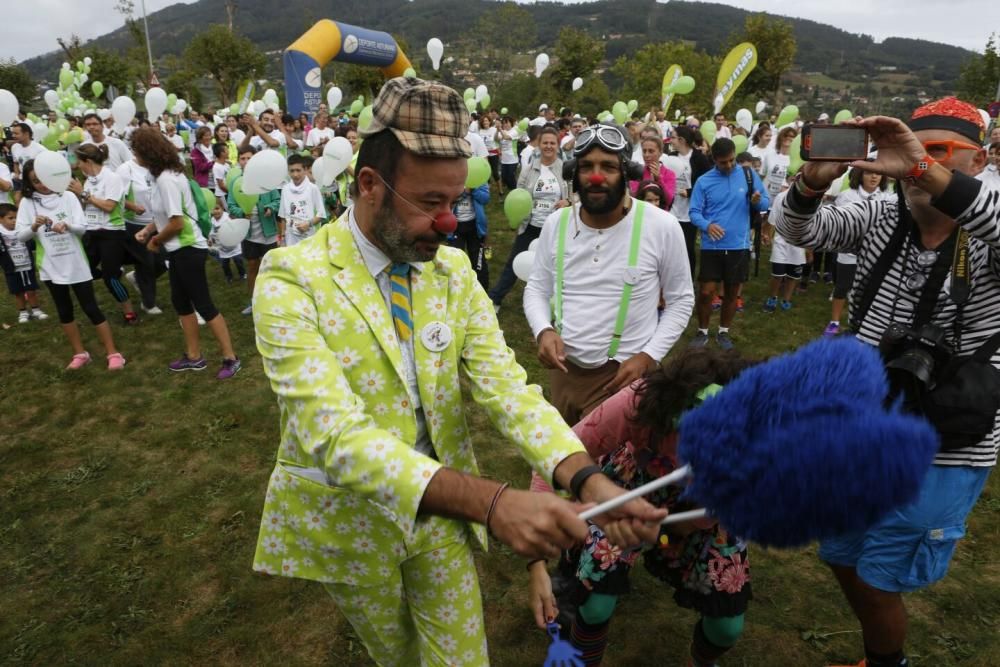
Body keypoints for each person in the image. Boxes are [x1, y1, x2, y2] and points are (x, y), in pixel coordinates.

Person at [249, 76, 665, 667]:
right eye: (430, 204)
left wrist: (587, 479)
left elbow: (507, 390)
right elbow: (332, 437)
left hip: (443, 517)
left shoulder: (451, 274)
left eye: (454, 202)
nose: (450, 224)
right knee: (397, 657)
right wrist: (493, 503)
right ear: (369, 184)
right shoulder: (291, 279)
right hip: (349, 520)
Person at [771, 98, 1000, 667]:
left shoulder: (989, 227)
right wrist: (812, 180)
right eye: (913, 151)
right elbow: (797, 227)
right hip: (867, 422)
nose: (921, 163)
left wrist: (924, 170)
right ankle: (881, 656)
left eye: (945, 153)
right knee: (842, 554)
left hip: (949, 440)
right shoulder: (879, 216)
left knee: (879, 574)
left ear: (980, 161)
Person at [528, 347, 753, 667]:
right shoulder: (640, 402)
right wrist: (536, 557)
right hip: (628, 487)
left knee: (727, 626)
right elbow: (554, 456)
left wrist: (678, 527)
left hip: (703, 510)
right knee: (595, 605)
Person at [523, 122, 694, 425]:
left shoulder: (662, 226)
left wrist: (648, 356)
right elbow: (537, 287)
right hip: (564, 374)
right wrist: (543, 330)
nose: (596, 177)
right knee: (561, 464)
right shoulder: (557, 224)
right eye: (586, 166)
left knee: (611, 470)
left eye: (608, 167)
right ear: (574, 172)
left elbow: (680, 300)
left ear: (627, 173)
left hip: (623, 378)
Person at [129, 127, 241, 379]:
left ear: (147, 152)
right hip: (179, 249)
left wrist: (155, 240)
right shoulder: (164, 177)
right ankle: (194, 357)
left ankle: (230, 358)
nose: (135, 157)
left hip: (188, 248)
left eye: (136, 152)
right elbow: (165, 214)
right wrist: (149, 229)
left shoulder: (167, 179)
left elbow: (177, 222)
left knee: (203, 303)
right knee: (180, 302)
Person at [16, 159, 125, 370]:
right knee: (64, 311)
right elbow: (21, 236)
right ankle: (80, 353)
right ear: (29, 183)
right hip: (51, 266)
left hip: (76, 263)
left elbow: (83, 228)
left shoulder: (67, 197)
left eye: (44, 179)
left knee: (91, 308)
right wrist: (34, 226)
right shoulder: (28, 204)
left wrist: (68, 225)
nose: (41, 184)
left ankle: (113, 353)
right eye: (35, 181)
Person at [689, 138, 769, 350]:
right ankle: (702, 330)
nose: (730, 165)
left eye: (732, 160)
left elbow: (765, 202)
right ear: (714, 160)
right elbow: (694, 212)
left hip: (739, 245)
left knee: (732, 293)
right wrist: (707, 226)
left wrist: (756, 201)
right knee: (706, 292)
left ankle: (724, 332)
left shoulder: (748, 175)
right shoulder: (704, 181)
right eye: (724, 162)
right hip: (711, 246)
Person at [489, 125, 569, 313]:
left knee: (558, 267)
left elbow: (575, 195)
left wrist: (567, 201)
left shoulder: (565, 169)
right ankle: (495, 299)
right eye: (545, 143)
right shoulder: (528, 169)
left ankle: (559, 303)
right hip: (531, 226)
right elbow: (519, 195)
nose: (548, 146)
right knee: (514, 261)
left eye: (552, 143)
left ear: (557, 145)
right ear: (538, 145)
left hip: (556, 227)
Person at [70, 143, 139, 325]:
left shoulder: (112, 178)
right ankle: (114, 269)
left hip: (111, 233)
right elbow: (87, 205)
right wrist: (79, 196)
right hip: (92, 231)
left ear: (89, 161)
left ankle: (129, 312)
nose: (77, 164)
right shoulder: (87, 180)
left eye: (79, 160)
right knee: (86, 271)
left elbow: (109, 207)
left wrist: (84, 194)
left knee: (109, 279)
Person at [823, 169, 890, 336]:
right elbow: (838, 223)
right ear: (860, 175)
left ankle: (863, 321)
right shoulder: (846, 195)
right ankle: (834, 321)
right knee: (843, 286)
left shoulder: (887, 197)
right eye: (869, 173)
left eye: (878, 174)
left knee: (870, 287)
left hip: (875, 251)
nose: (874, 177)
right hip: (849, 250)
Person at [228, 146, 281, 315]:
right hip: (250, 233)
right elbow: (231, 206)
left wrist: (270, 208)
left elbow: (277, 201)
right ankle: (252, 301)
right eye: (242, 158)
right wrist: (242, 212)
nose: (246, 162)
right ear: (239, 162)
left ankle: (274, 300)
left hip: (269, 232)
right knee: (252, 266)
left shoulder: (267, 181)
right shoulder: (236, 183)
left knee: (271, 267)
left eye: (249, 158)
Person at [759, 127, 804, 312]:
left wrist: (809, 247)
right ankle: (773, 296)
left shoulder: (810, 200)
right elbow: (772, 220)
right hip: (782, 238)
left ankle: (786, 298)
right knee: (777, 273)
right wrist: (767, 234)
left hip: (800, 239)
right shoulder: (781, 197)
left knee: (794, 273)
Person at [118, 156, 167, 315]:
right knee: (146, 263)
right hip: (136, 224)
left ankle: (137, 278)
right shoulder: (126, 169)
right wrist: (132, 206)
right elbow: (116, 196)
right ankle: (148, 303)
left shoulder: (156, 165)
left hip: (158, 221)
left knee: (163, 262)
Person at [670, 126, 711, 281]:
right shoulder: (671, 156)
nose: (671, 141)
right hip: (672, 209)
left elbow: (707, 183)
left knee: (687, 247)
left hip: (690, 212)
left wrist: (689, 192)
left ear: (682, 140)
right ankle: (671, 278)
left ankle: (689, 280)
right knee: (671, 248)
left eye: (673, 137)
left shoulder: (699, 158)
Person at [0, 202, 48, 322]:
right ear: (0, 219)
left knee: (31, 289)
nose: (14, 221)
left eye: (16, 217)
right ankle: (23, 312)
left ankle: (36, 310)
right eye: (10, 218)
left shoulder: (22, 231)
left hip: (26, 265)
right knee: (18, 292)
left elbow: (31, 243)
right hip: (11, 268)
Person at [449, 180, 490, 289]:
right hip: (455, 227)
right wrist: (463, 192)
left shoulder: (478, 176)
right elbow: (447, 199)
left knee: (478, 263)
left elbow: (485, 198)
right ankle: (458, 291)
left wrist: (473, 189)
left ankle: (482, 292)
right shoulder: (452, 176)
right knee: (456, 262)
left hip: (475, 226)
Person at [278, 153, 326, 247]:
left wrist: (308, 224)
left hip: (308, 237)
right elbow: (283, 216)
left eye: (298, 170)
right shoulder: (285, 189)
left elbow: (321, 214)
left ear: (305, 170)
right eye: (292, 171)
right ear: (288, 172)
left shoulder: (313, 188)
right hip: (290, 238)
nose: (295, 174)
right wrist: (283, 237)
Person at [629, 134, 676, 209]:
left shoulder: (669, 174)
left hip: (660, 216)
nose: (646, 155)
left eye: (651, 151)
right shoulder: (638, 171)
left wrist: (659, 179)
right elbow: (634, 198)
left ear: (660, 152)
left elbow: (669, 201)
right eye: (644, 151)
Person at [208, 202, 246, 283]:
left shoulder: (227, 218)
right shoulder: (212, 220)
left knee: (238, 260)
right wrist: (210, 239)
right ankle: (229, 277)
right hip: (222, 247)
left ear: (222, 209)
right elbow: (211, 231)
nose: (215, 211)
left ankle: (243, 274)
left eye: (217, 208)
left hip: (234, 245)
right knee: (224, 264)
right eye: (213, 209)